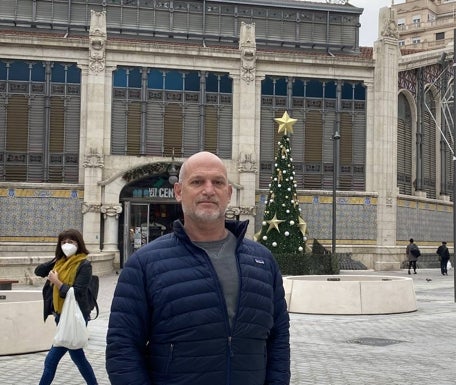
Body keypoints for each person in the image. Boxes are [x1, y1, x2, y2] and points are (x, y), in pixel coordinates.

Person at [106, 151, 290, 385]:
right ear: (179, 192)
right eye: (197, 181)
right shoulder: (144, 264)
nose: (209, 190)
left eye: (218, 182)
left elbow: (278, 340)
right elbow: (123, 348)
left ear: (229, 193)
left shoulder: (262, 261)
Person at [34, 229, 98, 385]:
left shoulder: (84, 264)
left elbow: (78, 292)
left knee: (51, 360)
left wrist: (56, 281)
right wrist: (56, 259)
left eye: (71, 242)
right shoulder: (60, 263)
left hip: (75, 316)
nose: (67, 245)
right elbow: (39, 271)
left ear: (78, 244)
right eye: (63, 242)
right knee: (79, 358)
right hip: (60, 315)